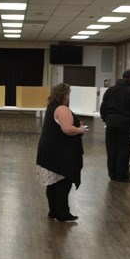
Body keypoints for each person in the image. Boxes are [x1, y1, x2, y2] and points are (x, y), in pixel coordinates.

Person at [36, 83, 86, 222]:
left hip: (49, 150)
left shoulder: (51, 107)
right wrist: (80, 129)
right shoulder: (62, 108)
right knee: (63, 183)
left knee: (53, 183)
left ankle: (53, 211)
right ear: (65, 95)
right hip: (59, 152)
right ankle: (62, 213)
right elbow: (68, 129)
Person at [99, 69, 130, 182]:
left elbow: (103, 106)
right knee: (124, 149)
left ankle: (112, 174)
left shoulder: (111, 89)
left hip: (111, 123)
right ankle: (121, 174)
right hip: (126, 124)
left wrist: (106, 119)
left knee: (111, 149)